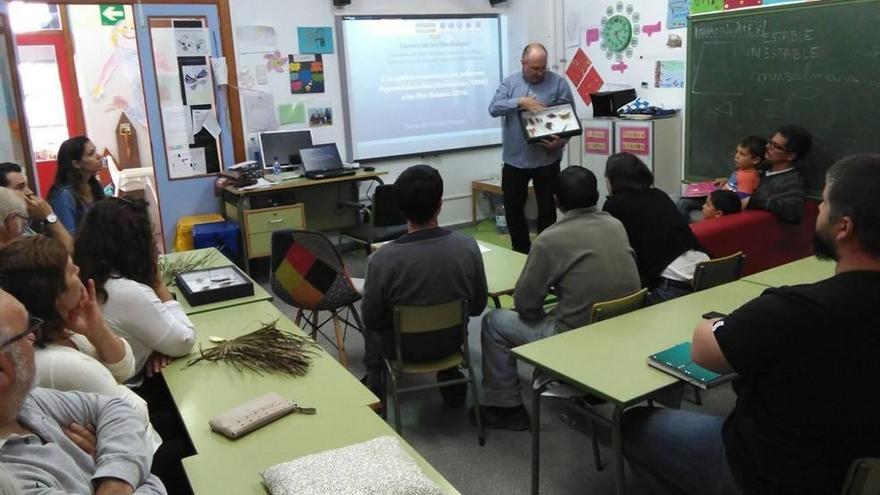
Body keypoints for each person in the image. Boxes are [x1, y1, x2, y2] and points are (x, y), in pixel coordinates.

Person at [623, 154, 880, 495]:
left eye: (825, 202)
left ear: (844, 227)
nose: (818, 209)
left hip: (768, 474)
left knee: (631, 425)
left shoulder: (791, 311)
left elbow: (704, 351)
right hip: (857, 473)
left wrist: (723, 324)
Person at [478, 166, 640, 430]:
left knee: (494, 320)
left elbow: (525, 304)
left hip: (576, 338)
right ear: (597, 194)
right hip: (621, 331)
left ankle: (506, 408)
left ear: (556, 201)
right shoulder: (615, 224)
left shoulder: (550, 239)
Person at [0, 289, 167, 494]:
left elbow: (116, 408)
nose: (34, 337)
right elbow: (154, 484)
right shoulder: (12, 483)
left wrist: (115, 477)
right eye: (27, 332)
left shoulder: (25, 402)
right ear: (2, 369)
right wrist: (126, 471)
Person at [0, 236, 159, 448]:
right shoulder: (59, 363)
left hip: (134, 444)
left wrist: (96, 329)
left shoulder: (63, 328)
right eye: (71, 270)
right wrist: (116, 384)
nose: (78, 269)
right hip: (140, 453)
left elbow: (126, 368)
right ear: (56, 294)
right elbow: (136, 413)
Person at [361, 165, 488, 405]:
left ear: (401, 209)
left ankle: (375, 384)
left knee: (373, 321)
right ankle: (451, 376)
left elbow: (372, 317)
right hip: (452, 344)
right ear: (440, 204)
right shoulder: (468, 247)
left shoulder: (381, 260)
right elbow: (478, 306)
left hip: (401, 350)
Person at [75, 197, 195, 383]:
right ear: (134, 244)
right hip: (128, 391)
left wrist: (155, 346)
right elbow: (184, 341)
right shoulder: (126, 291)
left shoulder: (89, 276)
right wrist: (157, 283)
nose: (155, 247)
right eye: (151, 238)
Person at [489, 43, 574, 254]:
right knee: (513, 208)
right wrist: (520, 102)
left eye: (543, 67)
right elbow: (493, 108)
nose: (540, 72)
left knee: (547, 209)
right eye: (535, 68)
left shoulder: (558, 84)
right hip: (515, 160)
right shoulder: (510, 84)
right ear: (523, 63)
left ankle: (544, 252)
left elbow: (570, 119)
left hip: (548, 159)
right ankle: (520, 251)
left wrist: (561, 141)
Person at [603, 152, 708, 304]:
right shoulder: (659, 195)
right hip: (706, 271)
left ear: (613, 180)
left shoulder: (614, 205)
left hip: (673, 284)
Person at [678, 136, 764, 221]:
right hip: (714, 199)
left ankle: (683, 230)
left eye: (742, 154)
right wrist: (727, 181)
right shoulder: (743, 170)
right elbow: (736, 186)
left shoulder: (747, 177)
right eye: (737, 152)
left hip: (716, 204)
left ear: (755, 160)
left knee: (683, 203)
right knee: (678, 199)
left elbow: (740, 201)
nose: (736, 156)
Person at [745, 124, 812, 224]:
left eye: (775, 146)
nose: (767, 147)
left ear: (791, 156)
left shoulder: (793, 181)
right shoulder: (762, 168)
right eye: (770, 141)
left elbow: (794, 212)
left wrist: (753, 201)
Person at [0, 162, 73, 252]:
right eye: (20, 187)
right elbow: (67, 252)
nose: (29, 192)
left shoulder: (25, 223)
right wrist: (49, 216)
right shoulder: (12, 228)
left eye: (27, 186)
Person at [48, 136, 106, 235]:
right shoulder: (64, 195)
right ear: (76, 163)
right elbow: (69, 238)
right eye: (91, 154)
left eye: (95, 150)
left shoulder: (94, 186)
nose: (99, 156)